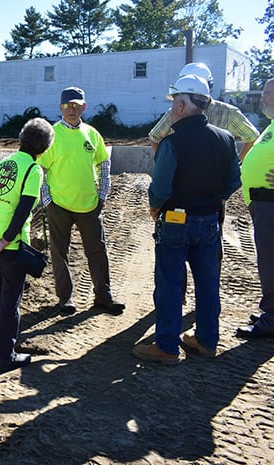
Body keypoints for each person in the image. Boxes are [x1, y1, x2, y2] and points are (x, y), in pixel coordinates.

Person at [132, 74, 241, 365]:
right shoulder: (225, 138)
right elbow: (233, 181)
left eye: (172, 104)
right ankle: (206, 341)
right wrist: (215, 199)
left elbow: (160, 188)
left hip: (176, 221)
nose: (170, 110)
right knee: (207, 282)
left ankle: (167, 346)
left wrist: (156, 209)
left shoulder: (173, 142)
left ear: (181, 105)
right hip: (209, 222)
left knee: (169, 282)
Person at [0, 117, 54, 373]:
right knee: (11, 300)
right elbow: (23, 210)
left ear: (21, 139)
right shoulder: (33, 170)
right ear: (45, 148)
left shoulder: (2, 164)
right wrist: (5, 241)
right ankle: (6, 356)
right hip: (10, 245)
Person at [38, 86, 125, 316]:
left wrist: (103, 194)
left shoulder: (92, 134)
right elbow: (41, 170)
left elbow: (104, 164)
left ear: (83, 106)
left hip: (89, 206)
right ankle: (65, 299)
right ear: (60, 108)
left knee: (98, 251)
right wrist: (47, 200)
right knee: (60, 252)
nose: (72, 109)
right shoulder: (52, 135)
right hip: (59, 205)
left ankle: (103, 297)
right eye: (67, 105)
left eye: (76, 105)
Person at [149, 62, 260, 161]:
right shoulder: (228, 112)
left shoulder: (229, 112)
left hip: (214, 177)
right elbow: (155, 137)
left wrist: (238, 161)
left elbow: (252, 137)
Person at [235, 77, 274, 340]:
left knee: (271, 261)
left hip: (270, 202)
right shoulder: (270, 126)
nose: (262, 97)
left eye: (268, 93)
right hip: (263, 203)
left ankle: (272, 320)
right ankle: (270, 310)